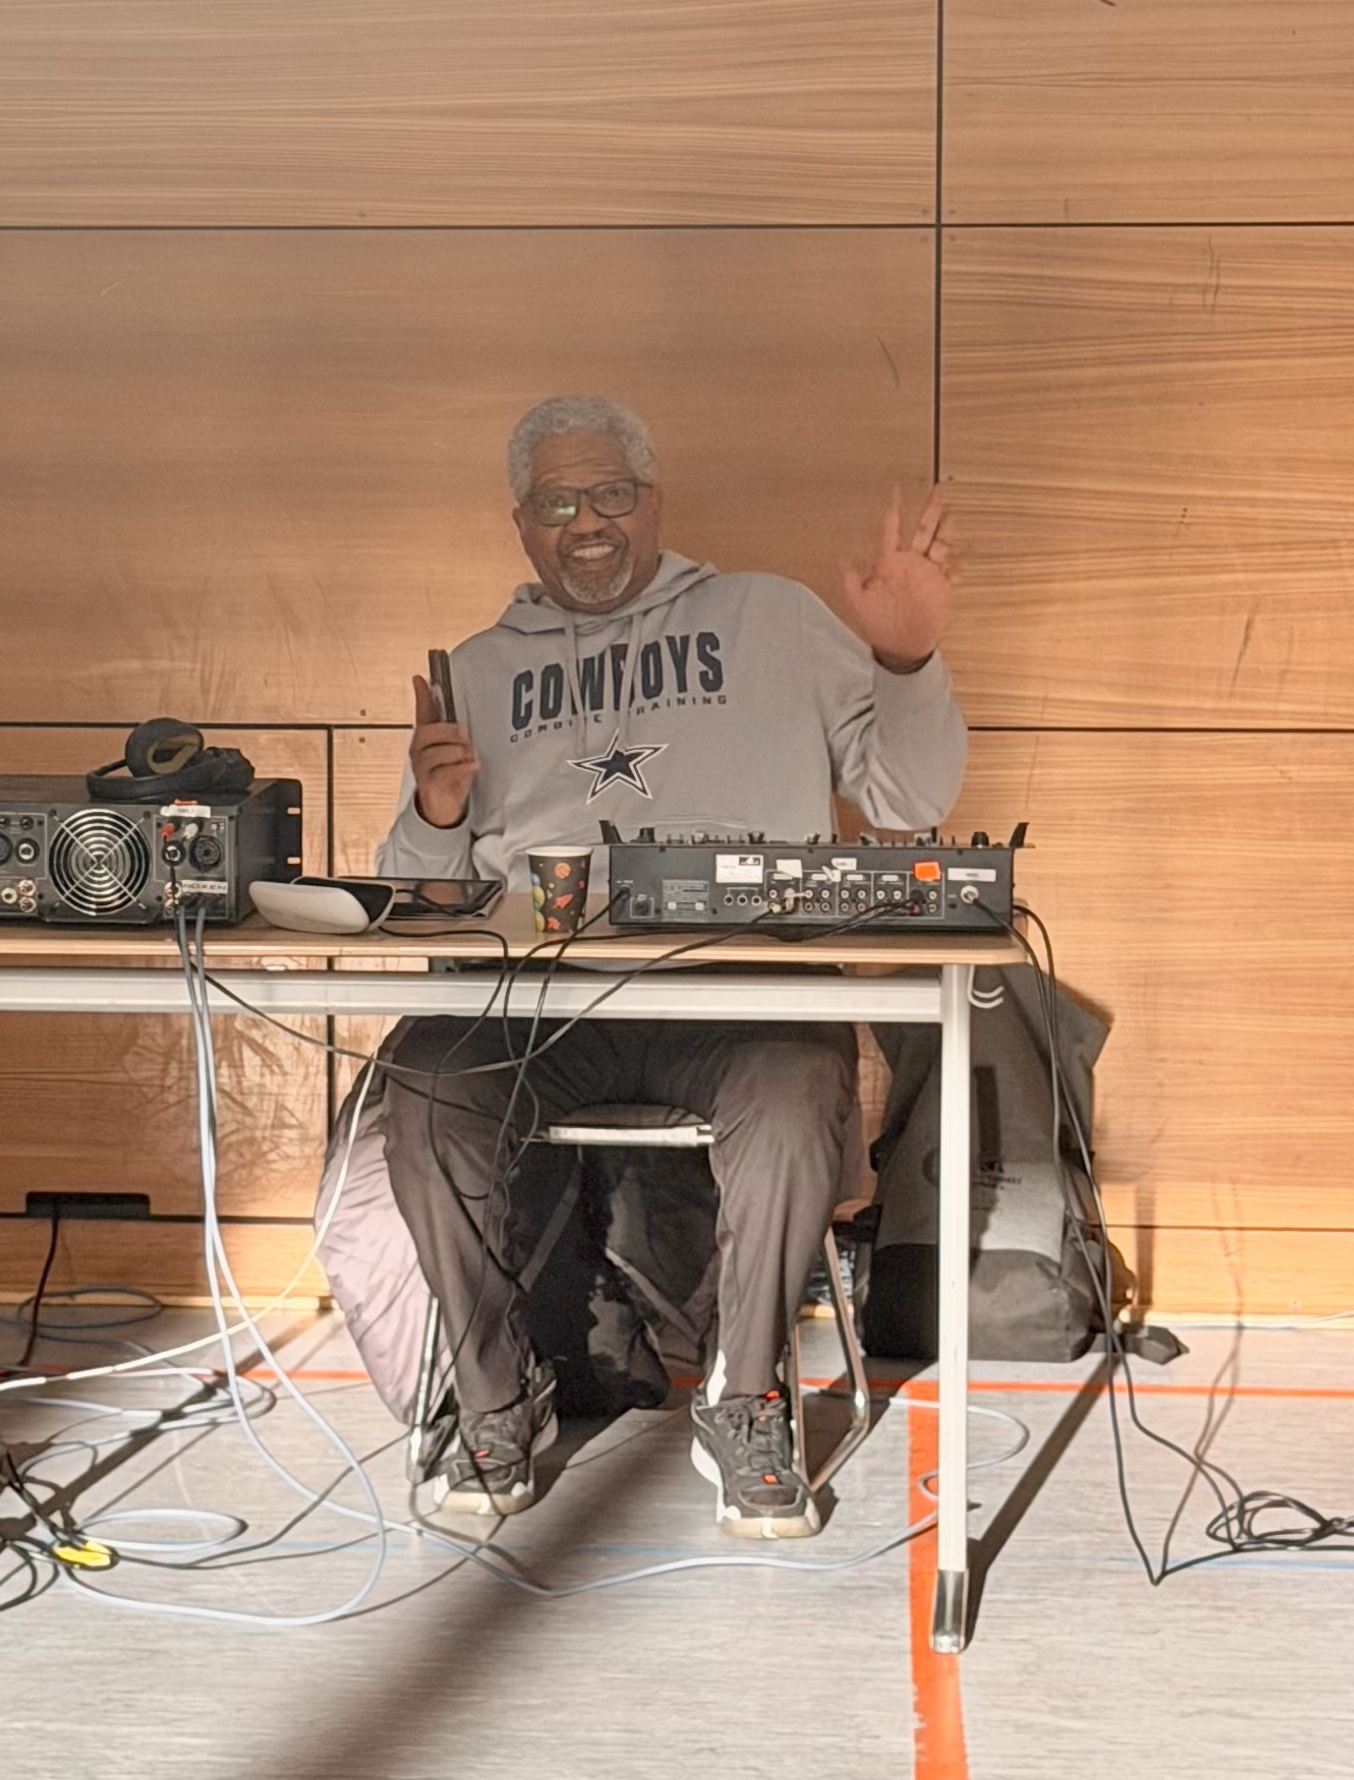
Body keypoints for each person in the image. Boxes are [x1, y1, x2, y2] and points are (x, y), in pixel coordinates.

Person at [373, 395, 963, 1535]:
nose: (586, 522)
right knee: (426, 1088)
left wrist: (906, 658)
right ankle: (495, 1399)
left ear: (652, 502)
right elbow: (421, 898)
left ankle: (744, 1399)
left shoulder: (769, 616)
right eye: (556, 503)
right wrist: (438, 813)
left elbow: (911, 796)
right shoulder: (479, 670)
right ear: (522, 524)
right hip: (548, 1005)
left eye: (609, 494)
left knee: (796, 1093)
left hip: (741, 996)